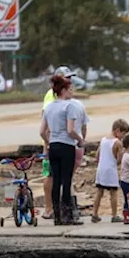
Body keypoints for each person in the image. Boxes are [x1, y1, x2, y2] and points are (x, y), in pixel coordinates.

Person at [39, 75, 88, 225]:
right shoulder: (69, 106)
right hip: (67, 146)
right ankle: (68, 216)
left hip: (53, 146)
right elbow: (70, 130)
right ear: (64, 90)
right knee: (66, 181)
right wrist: (80, 140)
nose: (72, 92)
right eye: (70, 89)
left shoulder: (48, 107)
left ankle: (57, 216)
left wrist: (49, 142)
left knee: (56, 180)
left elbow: (42, 131)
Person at [90, 119, 129, 223]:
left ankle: (94, 213)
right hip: (110, 169)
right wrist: (116, 163)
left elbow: (97, 155)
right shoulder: (117, 143)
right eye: (123, 134)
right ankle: (114, 214)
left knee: (99, 192)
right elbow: (119, 158)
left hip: (101, 169)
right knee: (113, 193)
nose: (123, 137)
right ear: (117, 131)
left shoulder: (103, 139)